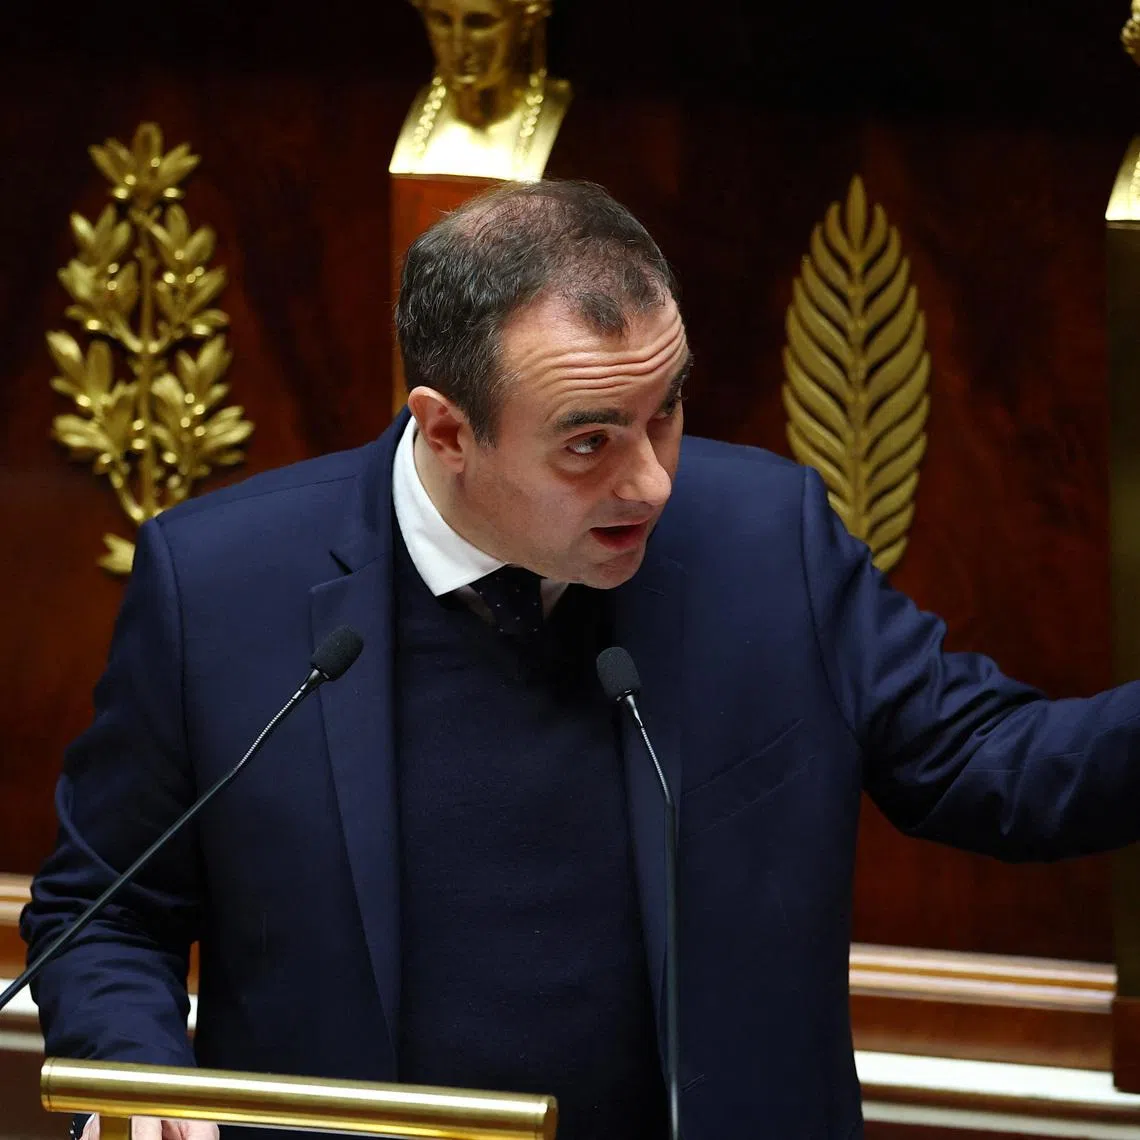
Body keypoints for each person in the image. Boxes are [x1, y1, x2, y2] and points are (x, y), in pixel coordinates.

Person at [22, 179, 1140, 1140]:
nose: (651, 481)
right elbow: (105, 907)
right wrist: (139, 1079)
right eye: (590, 442)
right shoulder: (222, 588)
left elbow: (997, 766)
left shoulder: (764, 541)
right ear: (448, 430)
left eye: (668, 414)